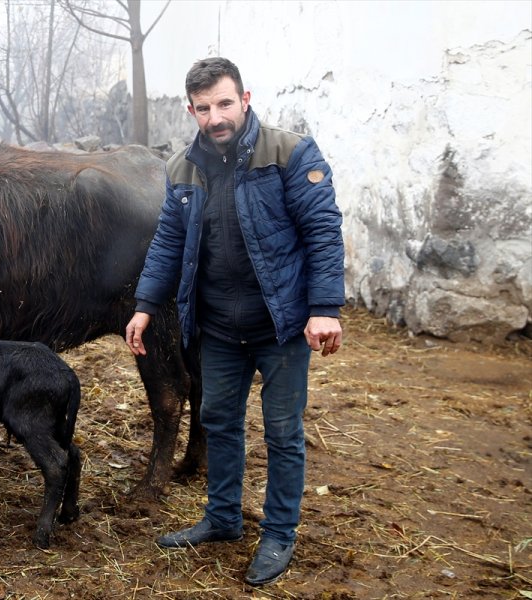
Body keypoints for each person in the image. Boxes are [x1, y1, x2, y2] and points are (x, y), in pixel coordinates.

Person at [125, 57, 344, 587]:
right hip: (219, 327)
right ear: (191, 110)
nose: (215, 117)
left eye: (224, 103)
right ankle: (223, 518)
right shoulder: (183, 167)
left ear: (245, 99)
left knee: (283, 433)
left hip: (282, 324)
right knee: (218, 422)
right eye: (203, 108)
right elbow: (168, 244)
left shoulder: (290, 152)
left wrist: (324, 309)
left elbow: (322, 230)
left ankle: (279, 532)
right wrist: (145, 305)